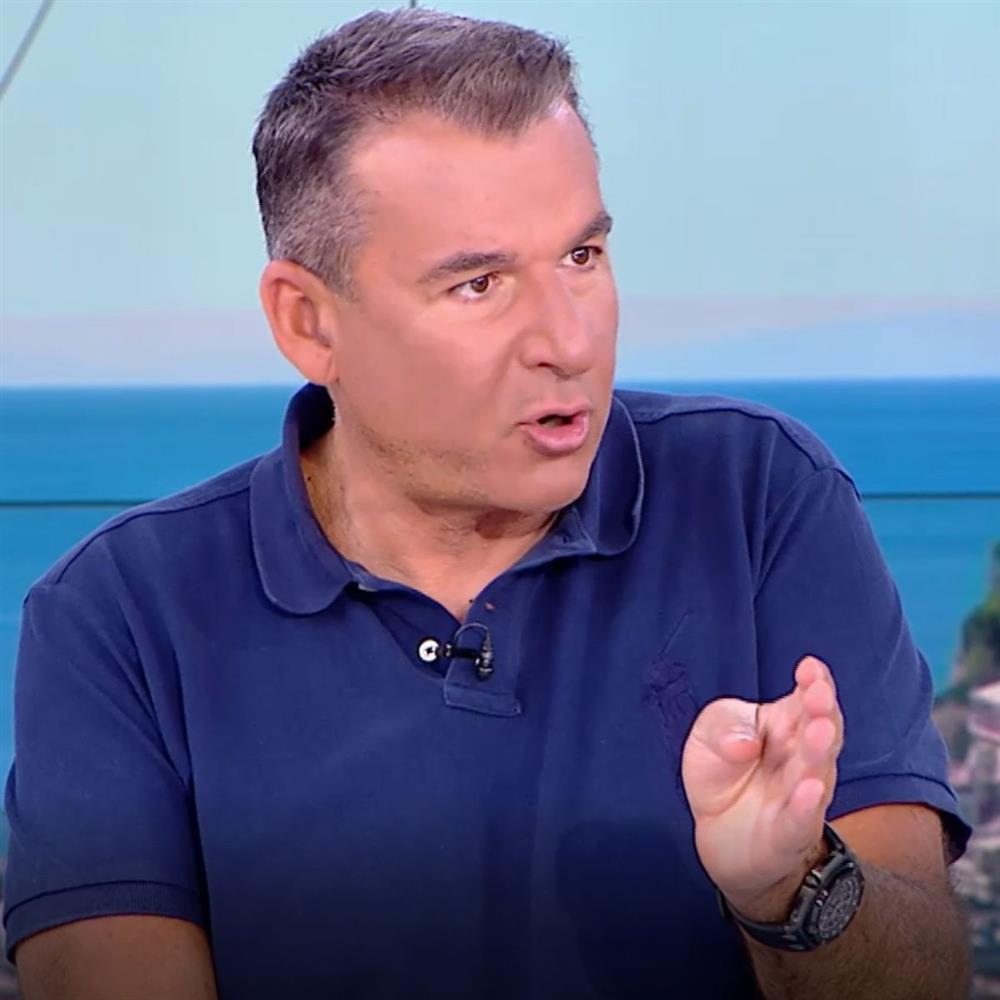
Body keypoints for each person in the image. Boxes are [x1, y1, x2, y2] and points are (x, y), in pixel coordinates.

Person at [2, 8, 972, 999]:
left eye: (582, 257)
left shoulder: (762, 497)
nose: (568, 341)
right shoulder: (118, 618)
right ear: (308, 323)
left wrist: (791, 886)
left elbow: (925, 981)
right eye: (478, 284)